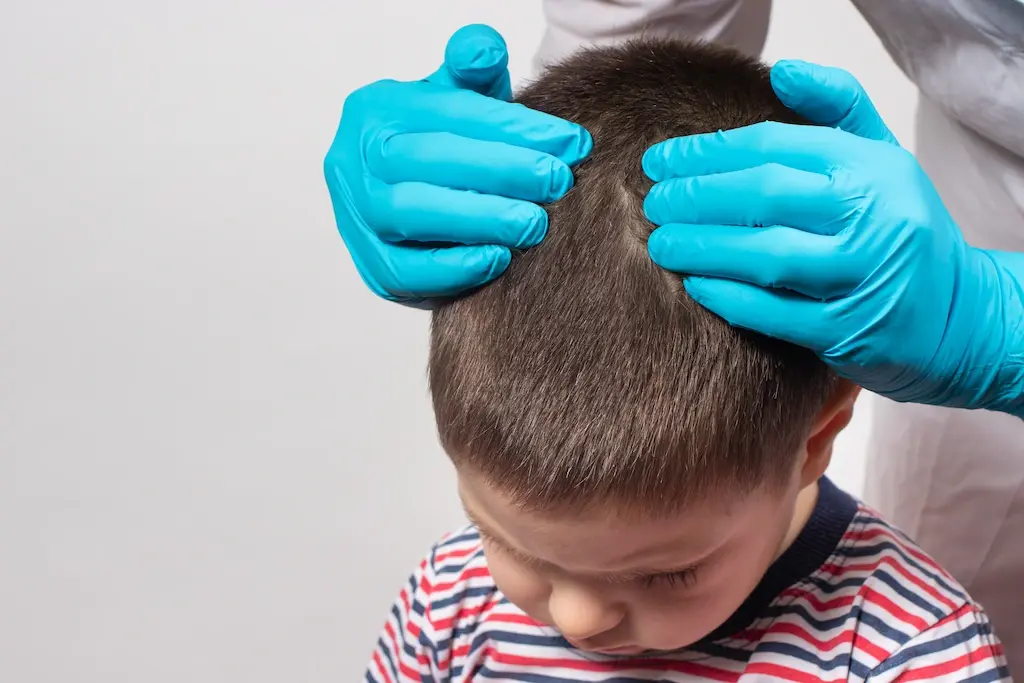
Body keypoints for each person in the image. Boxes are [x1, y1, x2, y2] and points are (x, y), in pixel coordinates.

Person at [324, 1, 1024, 672]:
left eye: (667, 575)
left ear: (815, 439)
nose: (576, 620)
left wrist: (994, 325)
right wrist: (575, 190)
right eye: (509, 544)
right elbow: (633, 74)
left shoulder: (909, 650)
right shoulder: (451, 601)